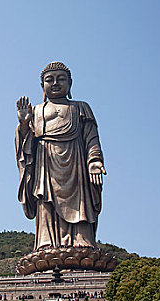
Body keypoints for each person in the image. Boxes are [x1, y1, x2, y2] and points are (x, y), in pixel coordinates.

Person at [16, 61, 106, 251]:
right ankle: (46, 242)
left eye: (61, 79)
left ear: (70, 83)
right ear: (42, 86)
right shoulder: (37, 111)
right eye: (50, 80)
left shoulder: (81, 108)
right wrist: (24, 125)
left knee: (80, 203)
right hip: (45, 165)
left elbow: (91, 137)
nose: (55, 83)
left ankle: (82, 241)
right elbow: (27, 144)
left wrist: (95, 160)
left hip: (76, 164)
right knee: (45, 201)